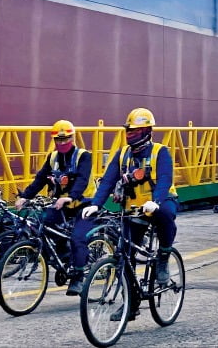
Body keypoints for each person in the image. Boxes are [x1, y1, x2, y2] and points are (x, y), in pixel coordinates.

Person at [79, 108, 178, 318]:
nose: (130, 134)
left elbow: (164, 180)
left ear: (147, 131)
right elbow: (108, 180)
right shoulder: (122, 154)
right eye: (129, 131)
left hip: (159, 202)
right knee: (124, 253)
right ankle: (131, 304)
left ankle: (164, 255)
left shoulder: (160, 151)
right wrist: (96, 203)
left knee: (166, 215)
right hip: (132, 208)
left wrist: (156, 201)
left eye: (135, 131)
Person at [17, 120, 93, 295]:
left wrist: (69, 197)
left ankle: (78, 277)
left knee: (78, 238)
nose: (61, 143)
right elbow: (40, 179)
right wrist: (25, 196)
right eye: (58, 140)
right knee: (42, 223)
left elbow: (82, 180)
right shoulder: (52, 157)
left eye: (65, 139)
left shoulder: (83, 156)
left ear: (72, 138)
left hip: (84, 204)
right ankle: (64, 253)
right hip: (62, 204)